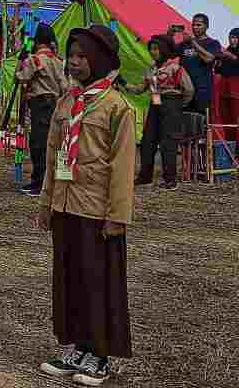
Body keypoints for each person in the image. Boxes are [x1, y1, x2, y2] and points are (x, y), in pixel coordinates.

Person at [35, 25, 135, 386]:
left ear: (99, 61)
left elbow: (123, 167)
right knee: (69, 279)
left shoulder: (116, 107)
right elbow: (53, 157)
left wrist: (117, 216)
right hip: (66, 206)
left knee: (98, 283)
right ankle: (76, 346)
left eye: (82, 57)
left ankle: (100, 355)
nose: (74, 63)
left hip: (98, 211)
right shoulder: (67, 102)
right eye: (71, 55)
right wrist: (46, 204)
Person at [125, 34, 192, 190]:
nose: (152, 52)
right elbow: (140, 89)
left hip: (171, 104)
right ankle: (145, 176)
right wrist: (123, 83)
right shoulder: (151, 69)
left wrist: (178, 106)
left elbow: (188, 89)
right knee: (148, 141)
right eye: (151, 49)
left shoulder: (175, 68)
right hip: (155, 103)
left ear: (164, 50)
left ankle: (170, 180)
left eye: (156, 49)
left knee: (168, 143)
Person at [15, 23, 67, 197]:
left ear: (36, 42)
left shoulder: (35, 60)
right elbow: (64, 85)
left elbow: (21, 77)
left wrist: (21, 61)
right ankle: (49, 180)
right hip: (55, 104)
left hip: (40, 105)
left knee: (38, 145)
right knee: (51, 143)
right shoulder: (58, 60)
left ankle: (40, 183)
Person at [178, 14, 220, 116]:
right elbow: (168, 53)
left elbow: (209, 59)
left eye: (198, 25)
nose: (195, 27)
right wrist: (169, 35)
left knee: (200, 123)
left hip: (202, 91)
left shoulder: (212, 43)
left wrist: (193, 43)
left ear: (206, 26)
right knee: (183, 122)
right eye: (193, 25)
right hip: (185, 90)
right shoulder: (185, 43)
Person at [215, 29, 239, 143]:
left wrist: (231, 56)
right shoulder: (227, 51)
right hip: (224, 89)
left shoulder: (229, 53)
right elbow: (219, 70)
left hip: (236, 90)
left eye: (235, 37)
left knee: (236, 118)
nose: (232, 40)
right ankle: (231, 146)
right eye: (231, 37)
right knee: (226, 120)